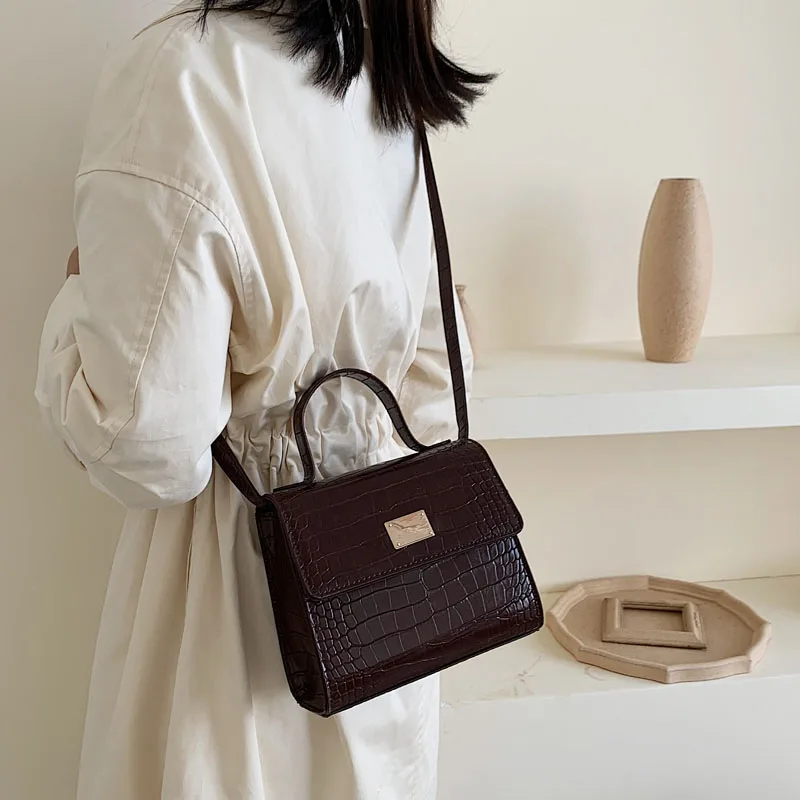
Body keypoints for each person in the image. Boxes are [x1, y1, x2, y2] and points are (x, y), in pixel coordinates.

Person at [35, 2, 490, 798]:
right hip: (391, 618)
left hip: (235, 606)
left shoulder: (182, 73)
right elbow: (436, 388)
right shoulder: (383, 68)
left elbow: (145, 443)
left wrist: (74, 304)